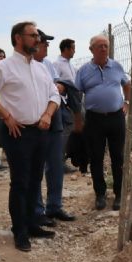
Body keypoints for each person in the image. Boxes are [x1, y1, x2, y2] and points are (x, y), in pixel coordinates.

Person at [0, 21, 60, 252]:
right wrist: (6, 116)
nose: (38, 39)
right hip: (18, 132)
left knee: (35, 180)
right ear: (18, 38)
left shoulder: (40, 68)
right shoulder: (3, 67)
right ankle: (20, 231)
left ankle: (32, 223)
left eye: (38, 36)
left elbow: (54, 93)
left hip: (40, 131)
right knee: (20, 182)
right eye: (33, 35)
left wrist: (47, 114)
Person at [75, 34, 131, 211]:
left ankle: (119, 194)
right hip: (94, 119)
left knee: (118, 157)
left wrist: (127, 103)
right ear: (91, 49)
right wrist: (79, 118)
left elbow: (127, 84)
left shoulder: (116, 66)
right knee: (96, 157)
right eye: (99, 46)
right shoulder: (83, 71)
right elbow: (77, 94)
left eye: (106, 46)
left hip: (116, 118)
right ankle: (100, 194)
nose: (104, 49)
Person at [33, 29, 76, 223]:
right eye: (43, 42)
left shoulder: (48, 65)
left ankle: (54, 206)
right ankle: (36, 210)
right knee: (35, 167)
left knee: (56, 165)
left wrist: (60, 85)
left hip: (55, 119)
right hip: (36, 122)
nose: (47, 45)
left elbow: (60, 83)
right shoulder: (26, 65)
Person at [53, 38, 78, 173]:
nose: (74, 51)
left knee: (69, 130)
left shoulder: (70, 65)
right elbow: (55, 83)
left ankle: (62, 159)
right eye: (73, 48)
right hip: (61, 103)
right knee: (64, 131)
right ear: (66, 49)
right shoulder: (57, 64)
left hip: (70, 103)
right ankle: (59, 162)